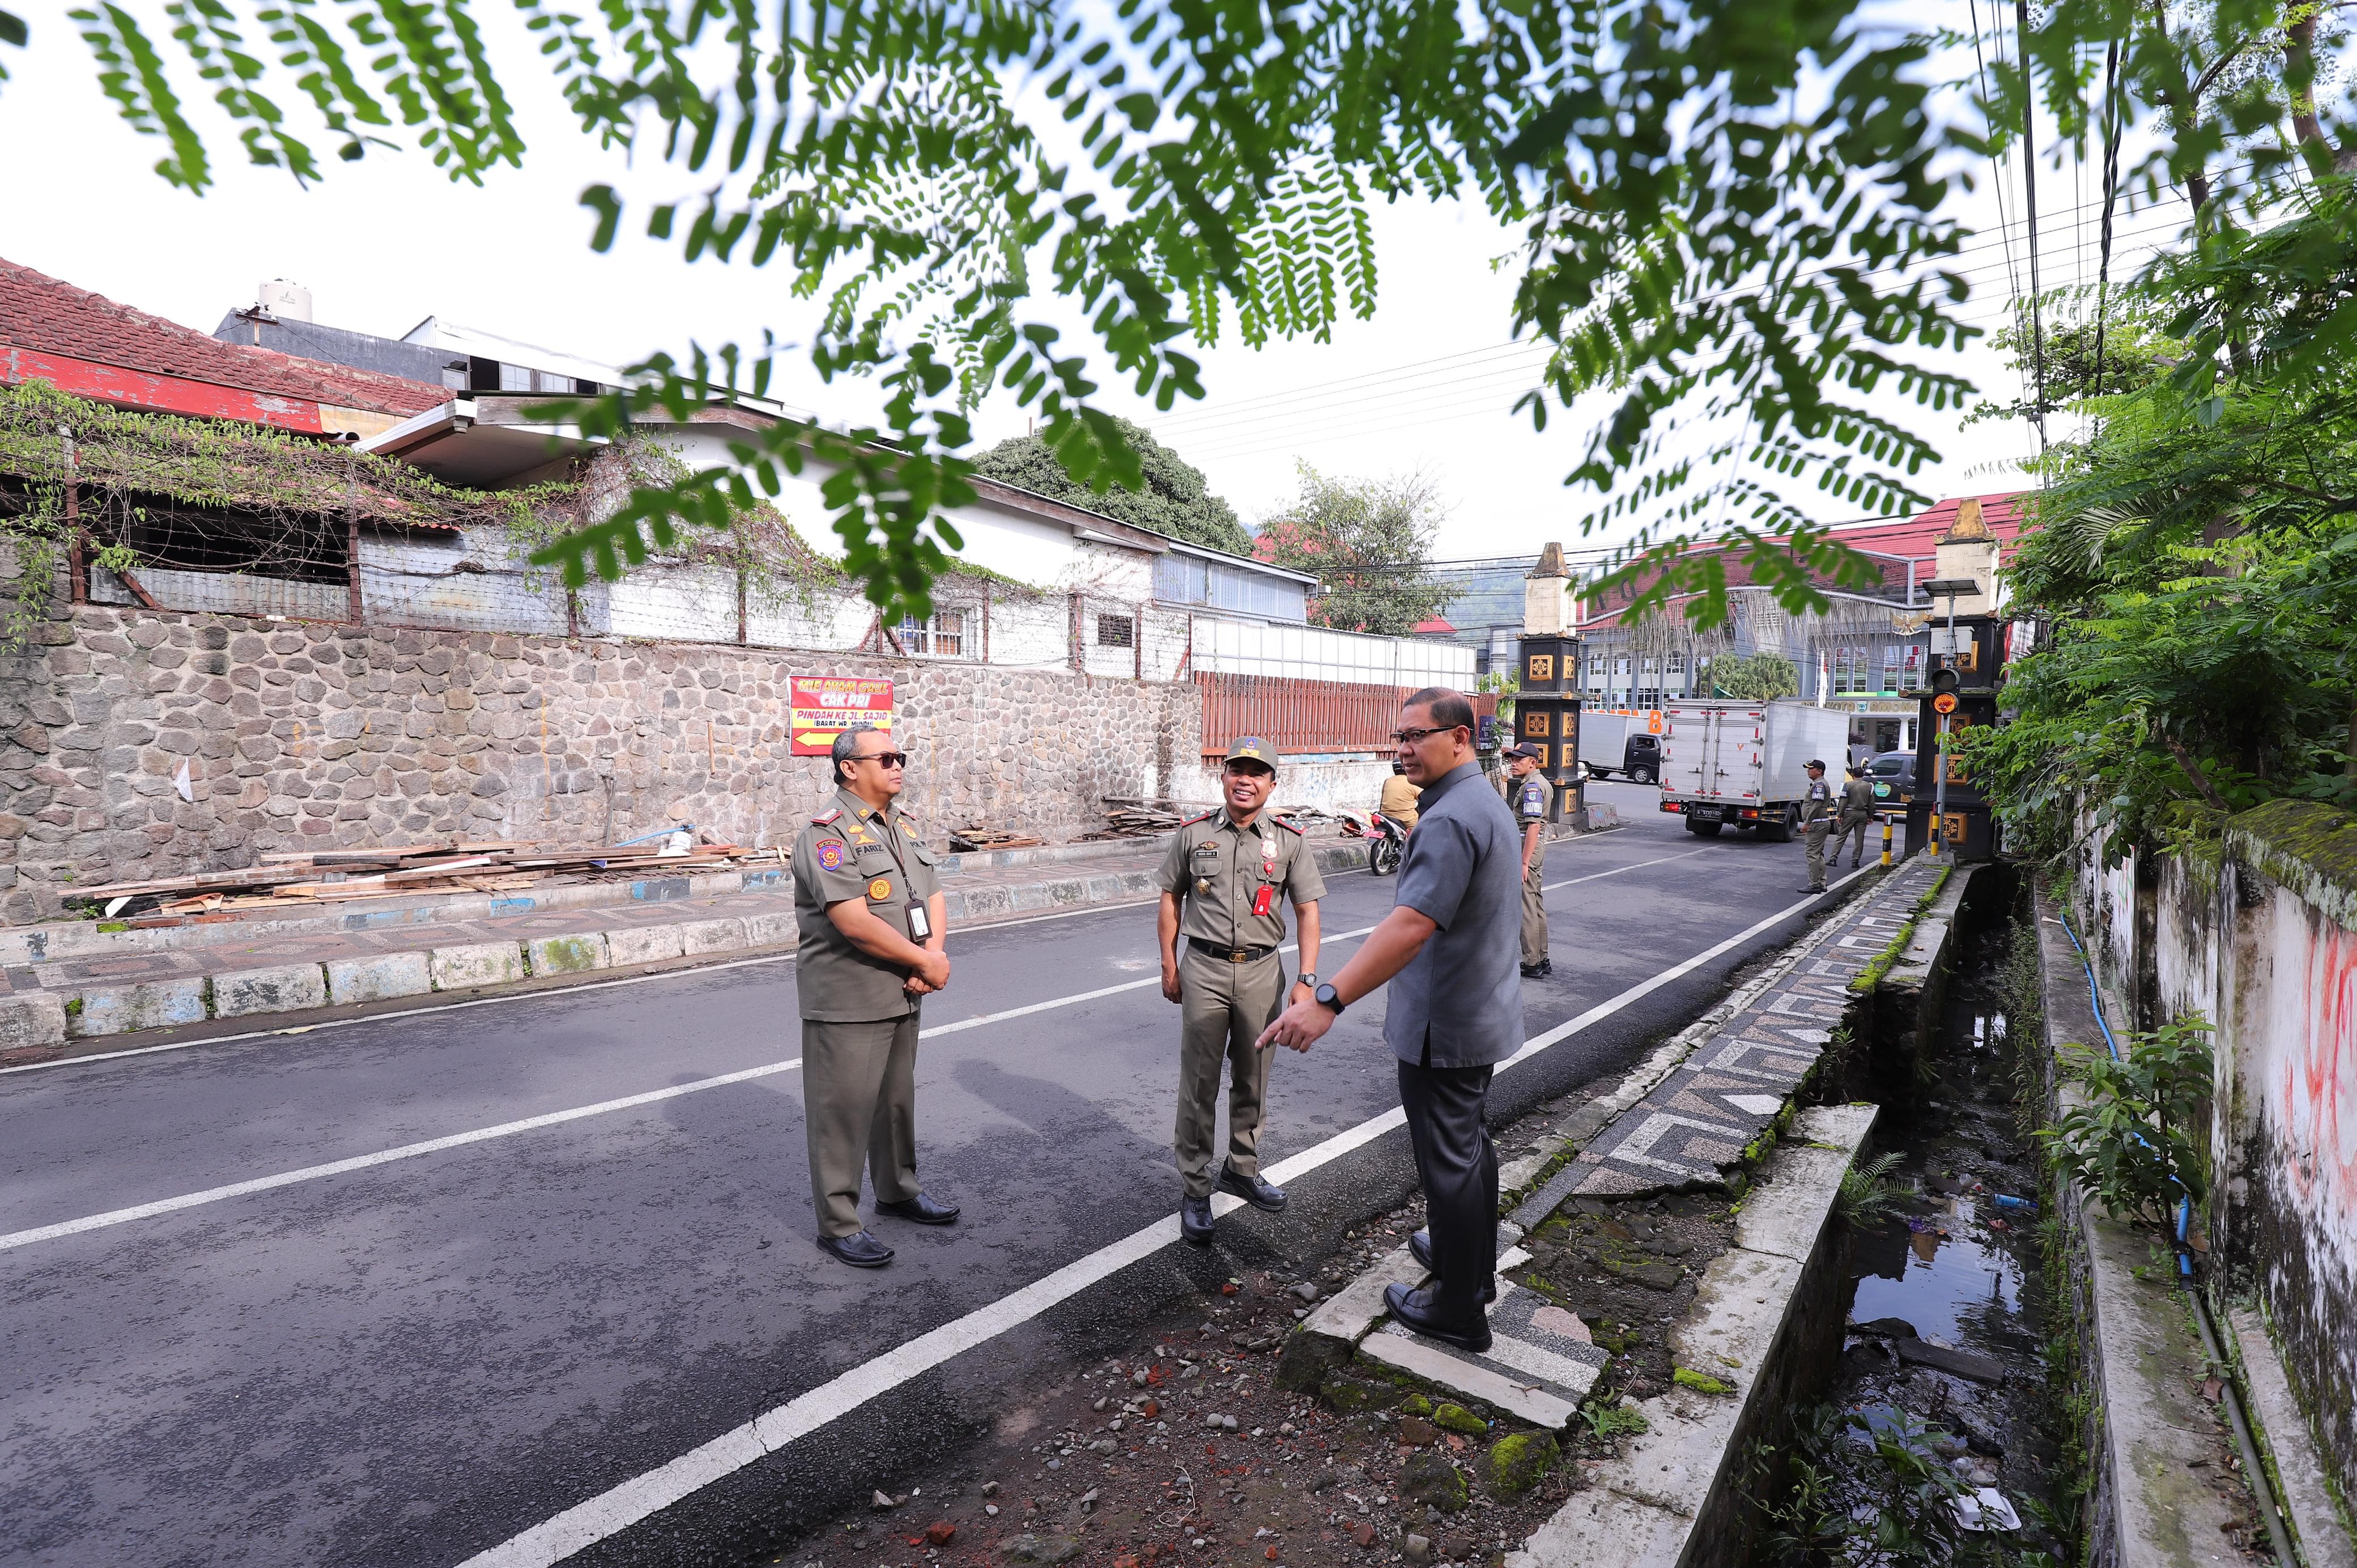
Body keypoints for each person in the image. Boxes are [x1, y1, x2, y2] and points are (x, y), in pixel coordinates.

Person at [1260, 688, 1520, 1352]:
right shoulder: (1479, 799)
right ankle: (1469, 1265)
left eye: (1416, 735)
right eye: (1396, 737)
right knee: (1469, 1147)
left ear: (1459, 737)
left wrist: (1327, 998)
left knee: (1449, 1161)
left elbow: (1410, 925)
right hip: (1476, 1011)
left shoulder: (1448, 816)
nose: (1402, 748)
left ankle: (1459, 1306)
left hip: (1445, 1023)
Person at [790, 723, 958, 1269]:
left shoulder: (901, 826)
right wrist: (924, 961)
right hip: (850, 996)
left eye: (899, 756)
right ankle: (838, 1224)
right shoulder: (827, 835)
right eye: (884, 758)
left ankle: (898, 1190)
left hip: (906, 988)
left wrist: (930, 955)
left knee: (894, 1102)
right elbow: (853, 922)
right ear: (848, 768)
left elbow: (931, 894)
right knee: (843, 1112)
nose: (897, 765)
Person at [1159, 738, 1326, 1244]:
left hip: (1261, 972)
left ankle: (1243, 1169)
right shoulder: (1193, 835)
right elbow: (1171, 898)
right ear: (1224, 777)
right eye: (1237, 770)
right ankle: (1195, 1186)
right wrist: (1169, 964)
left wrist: (1306, 980)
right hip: (1204, 968)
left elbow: (1307, 911)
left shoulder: (1290, 841)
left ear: (1272, 784)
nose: (1245, 780)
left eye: (1257, 773)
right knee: (1200, 1083)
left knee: (1254, 1076)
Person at [1505, 742, 1551, 978]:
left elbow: (1533, 826)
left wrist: (1523, 863)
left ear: (1533, 763)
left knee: (1526, 905)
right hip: (1533, 846)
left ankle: (1532, 961)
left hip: (1527, 846)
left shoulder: (1532, 786)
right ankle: (1542, 958)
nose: (1513, 764)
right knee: (1535, 902)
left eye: (1519, 760)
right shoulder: (1538, 783)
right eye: (1512, 759)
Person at [1798, 758, 1835, 894]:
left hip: (1816, 824)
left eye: (1811, 769)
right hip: (1819, 823)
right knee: (1818, 854)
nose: (1808, 771)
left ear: (1819, 771)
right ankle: (1820, 883)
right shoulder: (1818, 784)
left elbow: (1816, 805)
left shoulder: (1819, 785)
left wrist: (1807, 823)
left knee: (1812, 854)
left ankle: (1814, 884)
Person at [1835, 764, 1877, 870]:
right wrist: (1871, 816)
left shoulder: (1848, 785)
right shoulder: (1870, 786)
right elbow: (1872, 803)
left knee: (1842, 836)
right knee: (1859, 839)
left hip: (1850, 813)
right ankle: (1855, 861)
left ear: (1852, 775)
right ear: (1863, 775)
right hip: (1863, 814)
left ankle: (1833, 858)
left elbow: (1843, 801)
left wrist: (1840, 814)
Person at [1378, 760, 1420, 832]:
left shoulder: (1388, 781)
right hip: (1406, 819)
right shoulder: (1412, 782)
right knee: (1421, 829)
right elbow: (1424, 798)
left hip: (1385, 816)